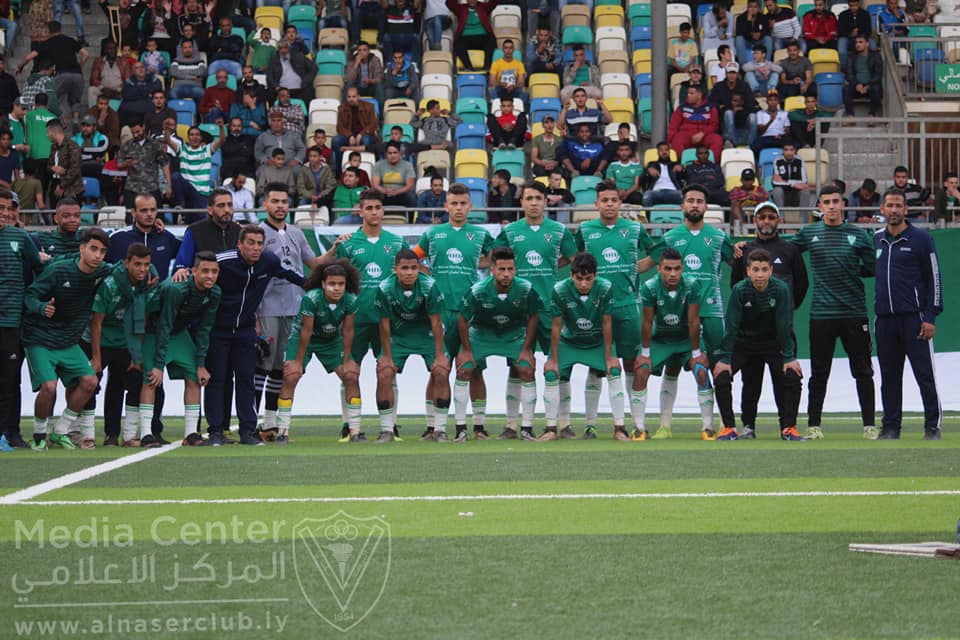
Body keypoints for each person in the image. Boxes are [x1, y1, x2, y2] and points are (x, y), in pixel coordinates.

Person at [640, 185, 735, 436]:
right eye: (690, 200)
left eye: (699, 201)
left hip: (711, 312)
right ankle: (665, 426)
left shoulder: (719, 237)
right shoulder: (671, 238)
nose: (695, 205)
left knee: (715, 368)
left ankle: (723, 424)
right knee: (672, 367)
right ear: (682, 206)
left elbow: (740, 265)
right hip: (678, 315)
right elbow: (647, 264)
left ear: (706, 207)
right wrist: (612, 268)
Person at [316, 190, 407, 441]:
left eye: (378, 207)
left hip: (385, 321)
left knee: (388, 371)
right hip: (353, 321)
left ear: (383, 210)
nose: (374, 212)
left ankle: (390, 425)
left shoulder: (397, 243)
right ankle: (350, 425)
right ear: (360, 211)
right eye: (369, 208)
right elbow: (325, 271)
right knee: (349, 373)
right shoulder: (348, 243)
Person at [204, 225, 305, 446]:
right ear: (239, 244)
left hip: (245, 332)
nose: (256, 248)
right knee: (218, 380)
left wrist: (316, 285)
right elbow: (202, 270)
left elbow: (291, 276)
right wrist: (182, 269)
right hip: (218, 331)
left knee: (246, 380)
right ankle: (215, 431)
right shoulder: (222, 262)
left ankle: (248, 432)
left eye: (259, 243)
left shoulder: (268, 261)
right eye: (250, 243)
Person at [790, 184, 876, 439]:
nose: (831, 206)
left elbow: (872, 267)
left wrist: (851, 271)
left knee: (863, 370)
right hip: (821, 315)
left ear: (843, 204)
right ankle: (814, 425)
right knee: (819, 372)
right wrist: (746, 248)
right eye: (826, 202)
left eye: (835, 201)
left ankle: (869, 425)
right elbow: (785, 252)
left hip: (854, 313)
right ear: (819, 207)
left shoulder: (859, 235)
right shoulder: (809, 233)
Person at [492, 180, 577, 438]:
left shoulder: (560, 231)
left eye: (538, 198)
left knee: (558, 365)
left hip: (549, 307)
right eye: (528, 198)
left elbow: (573, 260)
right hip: (518, 309)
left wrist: (552, 267)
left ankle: (563, 424)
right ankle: (511, 424)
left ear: (545, 201)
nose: (533, 203)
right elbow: (496, 260)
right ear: (522, 202)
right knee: (517, 366)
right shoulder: (510, 231)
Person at [412, 183, 493, 440]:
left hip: (470, 311)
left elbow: (500, 257)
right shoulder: (433, 234)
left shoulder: (480, 234)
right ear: (446, 206)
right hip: (441, 311)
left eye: (463, 203)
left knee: (475, 368)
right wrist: (428, 276)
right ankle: (432, 426)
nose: (458, 208)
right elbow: (411, 259)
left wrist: (484, 271)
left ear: (471, 206)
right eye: (454, 204)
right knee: (439, 369)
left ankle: (479, 427)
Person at [576, 181, 654, 437]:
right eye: (604, 200)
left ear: (620, 203)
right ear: (597, 203)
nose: (609, 204)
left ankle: (637, 424)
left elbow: (656, 254)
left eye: (613, 200)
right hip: (597, 309)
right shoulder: (586, 230)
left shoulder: (633, 228)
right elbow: (575, 262)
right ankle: (590, 424)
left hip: (629, 306)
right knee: (597, 366)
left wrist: (633, 269)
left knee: (631, 364)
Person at [23, 228, 112, 450]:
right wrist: (42, 307)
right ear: (82, 248)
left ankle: (61, 430)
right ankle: (38, 434)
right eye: (93, 249)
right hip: (40, 338)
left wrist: (148, 272)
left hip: (67, 341)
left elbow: (125, 269)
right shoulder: (58, 270)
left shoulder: (102, 271)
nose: (97, 255)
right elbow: (30, 295)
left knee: (91, 381)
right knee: (49, 387)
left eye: (102, 251)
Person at [730, 201, 808, 438]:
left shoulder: (790, 250)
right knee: (750, 383)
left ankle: (787, 427)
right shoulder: (743, 251)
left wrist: (785, 311)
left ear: (779, 220)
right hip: (750, 333)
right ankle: (749, 427)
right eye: (762, 217)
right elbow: (735, 287)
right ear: (755, 221)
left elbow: (802, 285)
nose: (766, 221)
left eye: (771, 217)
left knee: (784, 380)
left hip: (780, 333)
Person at [254, 182, 323, 440]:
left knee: (279, 368)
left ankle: (270, 424)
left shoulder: (296, 233)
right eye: (275, 201)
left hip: (294, 308)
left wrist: (336, 251)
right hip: (267, 307)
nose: (280, 206)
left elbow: (314, 264)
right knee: (262, 364)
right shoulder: (258, 233)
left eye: (284, 202)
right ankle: (251, 421)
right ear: (265, 204)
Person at [714, 248, 805, 441]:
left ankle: (789, 428)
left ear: (771, 270)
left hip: (773, 343)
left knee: (792, 375)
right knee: (722, 376)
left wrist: (789, 358)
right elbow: (731, 325)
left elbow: (784, 325)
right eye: (755, 269)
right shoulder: (740, 290)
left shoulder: (780, 289)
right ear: (748, 270)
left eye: (764, 269)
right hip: (744, 343)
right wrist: (724, 359)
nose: (760, 274)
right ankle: (730, 428)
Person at [131, 251, 220, 447]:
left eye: (214, 272)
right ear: (193, 271)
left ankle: (191, 434)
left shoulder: (215, 293)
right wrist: (158, 365)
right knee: (151, 378)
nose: (210, 276)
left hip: (179, 333)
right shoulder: (176, 290)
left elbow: (204, 330)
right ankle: (146, 433)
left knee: (195, 376)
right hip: (154, 331)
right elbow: (164, 324)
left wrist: (201, 364)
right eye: (205, 271)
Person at [873, 188, 942, 440]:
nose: (893, 210)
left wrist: (930, 317)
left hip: (914, 319)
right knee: (889, 377)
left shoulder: (921, 239)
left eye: (898, 205)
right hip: (884, 320)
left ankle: (932, 426)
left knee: (924, 374)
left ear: (906, 209)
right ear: (881, 209)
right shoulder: (876, 239)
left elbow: (934, 278)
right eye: (889, 205)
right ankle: (891, 427)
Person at [457, 246, 540, 440]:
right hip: (482, 334)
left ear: (515, 270)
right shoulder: (477, 291)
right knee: (465, 369)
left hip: (513, 334)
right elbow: (462, 319)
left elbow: (534, 316)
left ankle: (526, 428)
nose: (506, 274)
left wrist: (527, 349)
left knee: (526, 369)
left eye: (510, 269)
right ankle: (467, 428)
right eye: (501, 269)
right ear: (492, 269)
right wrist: (467, 351)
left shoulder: (526, 288)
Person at [539, 252, 623, 441]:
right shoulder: (560, 290)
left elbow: (607, 322)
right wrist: (552, 359)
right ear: (571, 275)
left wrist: (610, 356)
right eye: (579, 279)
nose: (583, 284)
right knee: (552, 374)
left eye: (588, 279)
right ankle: (553, 428)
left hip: (596, 342)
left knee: (614, 371)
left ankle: (616, 428)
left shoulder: (605, 288)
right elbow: (556, 325)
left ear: (595, 276)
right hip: (568, 341)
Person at [80, 243, 157, 447]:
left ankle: (124, 436)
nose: (142, 269)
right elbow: (96, 323)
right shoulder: (110, 284)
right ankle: (87, 434)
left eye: (146, 265)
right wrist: (96, 358)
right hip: (100, 339)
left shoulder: (147, 285)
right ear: (126, 263)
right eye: (137, 264)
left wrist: (136, 356)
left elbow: (142, 321)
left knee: (125, 383)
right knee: (91, 384)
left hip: (126, 341)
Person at [632, 248, 712, 440]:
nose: (673, 273)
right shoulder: (650, 287)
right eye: (668, 268)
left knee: (701, 370)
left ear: (683, 268)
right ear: (659, 268)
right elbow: (647, 322)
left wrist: (695, 354)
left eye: (677, 268)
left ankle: (708, 427)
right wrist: (644, 352)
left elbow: (694, 321)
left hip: (686, 339)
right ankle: (639, 428)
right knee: (641, 370)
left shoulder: (692, 285)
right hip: (661, 339)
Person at [280, 260, 363, 442]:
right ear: (323, 284)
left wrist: (347, 360)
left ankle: (355, 431)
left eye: (340, 284)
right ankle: (282, 432)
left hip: (331, 341)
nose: (336, 288)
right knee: (291, 376)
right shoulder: (312, 298)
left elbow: (348, 331)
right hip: (304, 340)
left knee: (351, 376)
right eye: (332, 284)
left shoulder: (351, 300)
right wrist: (297, 362)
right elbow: (306, 331)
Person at [374, 249, 450, 442]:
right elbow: (384, 324)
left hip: (426, 335)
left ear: (419, 269)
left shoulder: (429, 286)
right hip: (398, 336)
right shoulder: (385, 288)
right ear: (395, 269)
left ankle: (439, 430)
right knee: (384, 372)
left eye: (414, 268)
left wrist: (440, 355)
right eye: (404, 268)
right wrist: (387, 357)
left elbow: (436, 322)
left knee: (441, 371)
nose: (409, 272)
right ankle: (386, 430)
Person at [0, 189, 44, 450]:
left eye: (10, 208)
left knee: (9, 380)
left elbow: (40, 269)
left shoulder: (20, 236)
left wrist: (36, 304)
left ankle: (10, 433)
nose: (5, 213)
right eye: (1, 207)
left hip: (11, 322)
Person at [18, 21, 88, 126]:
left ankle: (60, 123)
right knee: (76, 100)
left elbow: (29, 57)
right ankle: (75, 120)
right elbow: (86, 54)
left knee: (55, 98)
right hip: (77, 74)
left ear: (48, 31)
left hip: (61, 74)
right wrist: (79, 67)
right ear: (61, 29)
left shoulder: (47, 43)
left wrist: (20, 67)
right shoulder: (70, 40)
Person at [107, 193, 181, 281]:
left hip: (159, 293)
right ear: (133, 213)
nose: (149, 214)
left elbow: (189, 252)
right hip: (126, 293)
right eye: (144, 210)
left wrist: (181, 269)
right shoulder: (117, 238)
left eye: (152, 210)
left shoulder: (167, 237)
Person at [172, 188, 243, 276]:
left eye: (230, 205)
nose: (227, 210)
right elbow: (181, 265)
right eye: (221, 205)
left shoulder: (239, 231)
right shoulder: (194, 231)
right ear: (210, 210)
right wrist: (181, 270)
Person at [167, 122, 226, 221]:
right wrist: (166, 130)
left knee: (199, 223)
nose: (195, 137)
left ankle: (184, 216)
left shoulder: (207, 150)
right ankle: (180, 206)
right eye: (192, 134)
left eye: (197, 135)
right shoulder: (182, 149)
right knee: (175, 176)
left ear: (201, 137)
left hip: (201, 193)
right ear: (188, 137)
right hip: (187, 191)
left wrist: (220, 127)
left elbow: (222, 140)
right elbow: (168, 141)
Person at [118, 118, 172, 214]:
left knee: (156, 217)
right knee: (130, 217)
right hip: (132, 188)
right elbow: (119, 164)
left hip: (151, 187)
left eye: (138, 131)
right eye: (133, 133)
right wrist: (126, 164)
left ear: (143, 127)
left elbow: (164, 164)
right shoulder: (127, 146)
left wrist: (169, 185)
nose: (136, 135)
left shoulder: (155, 145)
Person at [332, 88, 378, 168]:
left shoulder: (369, 106)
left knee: (366, 140)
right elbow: (339, 127)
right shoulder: (342, 108)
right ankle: (339, 172)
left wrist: (361, 134)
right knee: (336, 140)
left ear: (358, 97)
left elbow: (373, 125)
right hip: (349, 137)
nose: (351, 99)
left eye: (354, 97)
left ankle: (365, 168)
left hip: (365, 135)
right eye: (349, 97)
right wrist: (349, 135)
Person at [447, 0, 497, 72]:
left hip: (482, 37)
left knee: (490, 40)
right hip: (465, 38)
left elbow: (494, 2)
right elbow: (449, 3)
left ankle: (487, 67)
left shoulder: (483, 7)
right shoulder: (461, 9)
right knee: (458, 43)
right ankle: (469, 67)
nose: (472, 1)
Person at [45, 119, 83, 208]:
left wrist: (62, 185)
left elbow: (75, 169)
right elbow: (48, 165)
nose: (47, 135)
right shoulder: (53, 147)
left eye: (48, 132)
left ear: (53, 131)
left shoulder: (72, 146)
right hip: (55, 183)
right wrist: (53, 168)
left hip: (71, 189)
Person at [843, 35, 883, 118]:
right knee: (845, 89)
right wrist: (857, 84)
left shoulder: (875, 56)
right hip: (857, 86)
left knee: (876, 88)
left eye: (861, 42)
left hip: (870, 86)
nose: (858, 44)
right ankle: (850, 116)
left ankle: (871, 115)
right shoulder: (851, 56)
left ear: (867, 44)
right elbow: (849, 74)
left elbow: (878, 74)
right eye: (856, 42)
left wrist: (868, 85)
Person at [370, 142, 416, 210]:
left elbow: (410, 186)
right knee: (372, 196)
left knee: (411, 197)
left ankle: (410, 220)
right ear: (386, 154)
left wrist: (396, 192)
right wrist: (385, 191)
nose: (392, 155)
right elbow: (375, 185)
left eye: (395, 153)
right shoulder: (378, 165)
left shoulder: (407, 165)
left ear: (400, 153)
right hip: (383, 194)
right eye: (390, 153)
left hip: (401, 194)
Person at [771, 142, 812, 212]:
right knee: (777, 190)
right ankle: (781, 219)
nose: (789, 152)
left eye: (791, 150)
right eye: (786, 150)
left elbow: (804, 182)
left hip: (796, 195)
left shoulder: (800, 161)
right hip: (783, 196)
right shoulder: (777, 161)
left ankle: (803, 222)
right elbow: (775, 182)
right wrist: (793, 184)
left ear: (795, 150)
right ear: (782, 151)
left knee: (805, 191)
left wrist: (783, 182)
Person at [641, 142, 684, 207]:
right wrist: (648, 171)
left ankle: (684, 217)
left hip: (674, 192)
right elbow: (642, 179)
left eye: (666, 150)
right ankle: (648, 217)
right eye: (661, 150)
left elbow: (687, 176)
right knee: (647, 195)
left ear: (669, 152)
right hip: (656, 192)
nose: (664, 152)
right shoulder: (652, 164)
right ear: (657, 153)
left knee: (684, 196)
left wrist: (682, 170)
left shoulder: (675, 164)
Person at [344, 41, 385, 107]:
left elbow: (380, 78)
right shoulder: (352, 60)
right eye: (359, 50)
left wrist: (371, 81)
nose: (362, 52)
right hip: (357, 88)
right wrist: (356, 63)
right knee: (348, 86)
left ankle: (381, 115)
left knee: (379, 86)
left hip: (371, 87)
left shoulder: (375, 60)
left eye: (364, 50)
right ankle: (345, 112)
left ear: (368, 51)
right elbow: (349, 79)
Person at [735, 0, 772, 69]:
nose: (752, 9)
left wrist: (760, 34)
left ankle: (766, 65)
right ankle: (744, 67)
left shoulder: (763, 17)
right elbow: (739, 33)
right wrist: (749, 21)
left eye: (755, 7)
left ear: (758, 8)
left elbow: (767, 31)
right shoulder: (741, 18)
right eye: (750, 7)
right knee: (738, 39)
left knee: (768, 39)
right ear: (747, 7)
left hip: (759, 41)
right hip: (747, 41)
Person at [753, 89, 792, 154]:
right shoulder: (760, 113)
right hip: (766, 138)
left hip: (779, 138)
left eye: (775, 100)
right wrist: (771, 121)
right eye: (770, 100)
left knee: (792, 144)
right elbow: (760, 131)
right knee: (755, 146)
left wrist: (782, 135)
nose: (773, 102)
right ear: (767, 102)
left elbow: (788, 131)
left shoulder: (784, 113)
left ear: (778, 102)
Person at [489, 38, 527, 103]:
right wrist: (500, 84)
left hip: (514, 88)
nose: (508, 50)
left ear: (513, 50)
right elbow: (492, 82)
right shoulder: (496, 63)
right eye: (506, 48)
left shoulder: (519, 64)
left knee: (523, 91)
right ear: (503, 50)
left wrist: (514, 86)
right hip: (500, 88)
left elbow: (521, 82)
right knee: (492, 90)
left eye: (510, 48)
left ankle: (521, 111)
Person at [837, 0, 872, 67]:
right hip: (847, 37)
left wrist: (860, 36)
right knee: (841, 45)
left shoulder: (865, 14)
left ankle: (870, 65)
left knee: (872, 44)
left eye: (855, 5)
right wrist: (850, 34)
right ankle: (844, 68)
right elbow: (840, 31)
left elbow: (868, 30)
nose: (853, 8)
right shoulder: (843, 15)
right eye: (851, 6)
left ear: (858, 4)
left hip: (863, 37)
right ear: (848, 5)